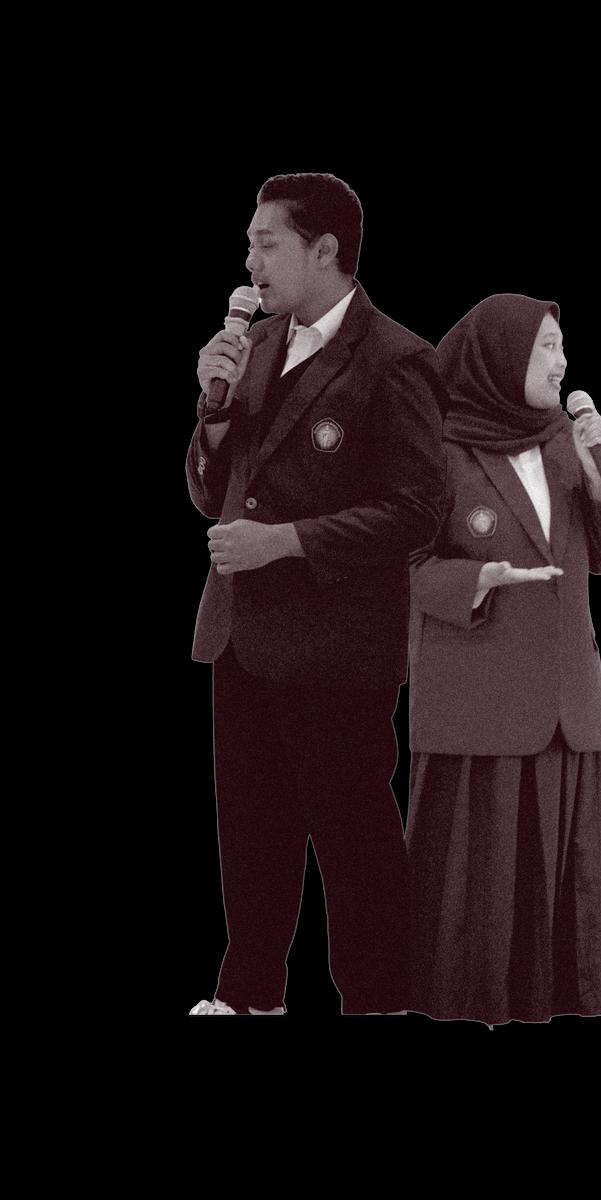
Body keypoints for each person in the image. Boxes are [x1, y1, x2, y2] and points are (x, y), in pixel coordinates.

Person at [185, 173, 446, 1016]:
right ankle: (248, 992)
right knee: (249, 827)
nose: (250, 262)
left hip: (338, 645)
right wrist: (212, 413)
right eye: (249, 245)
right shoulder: (255, 346)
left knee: (351, 834)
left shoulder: (397, 358)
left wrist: (287, 542)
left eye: (266, 243)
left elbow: (418, 511)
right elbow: (212, 494)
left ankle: (377, 999)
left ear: (324, 248)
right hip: (241, 631)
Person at [405, 293, 601, 1025]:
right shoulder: (436, 446)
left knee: (555, 888)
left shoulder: (569, 442)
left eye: (562, 347)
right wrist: (476, 579)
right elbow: (397, 567)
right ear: (499, 356)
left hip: (566, 702)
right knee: (471, 885)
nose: (561, 362)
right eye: (545, 347)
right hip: (478, 703)